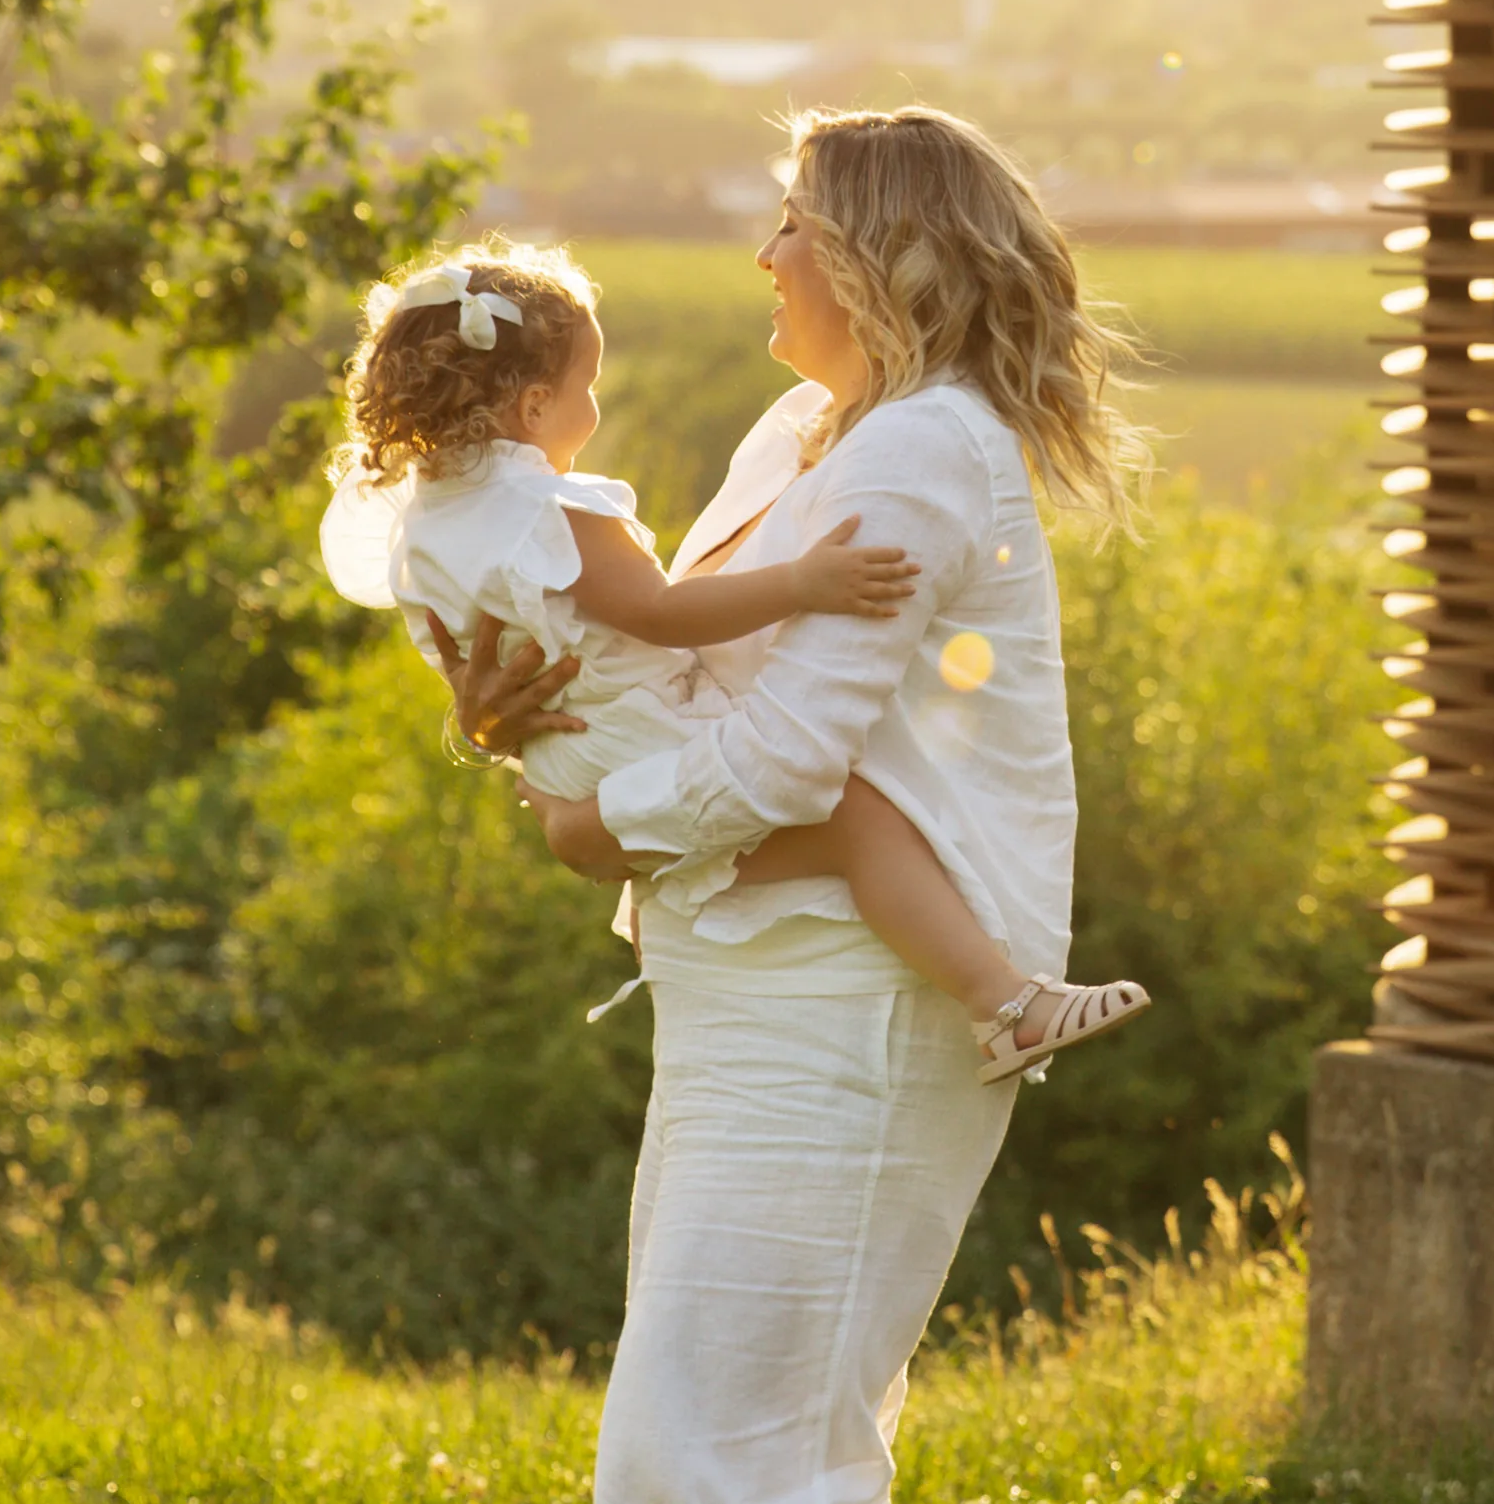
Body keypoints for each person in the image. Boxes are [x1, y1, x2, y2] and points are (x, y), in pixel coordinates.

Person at [441, 109, 1168, 1504]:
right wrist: (520, 701)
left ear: (868, 252)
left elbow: (784, 762)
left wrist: (603, 828)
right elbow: (683, 679)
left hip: (857, 1006)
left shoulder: (930, 453)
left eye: (790, 220)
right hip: (752, 982)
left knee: (679, 1479)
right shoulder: (796, 440)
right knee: (787, 1472)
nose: (759, 249)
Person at [320, 239, 1146, 1077]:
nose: (594, 410)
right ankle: (1004, 1002)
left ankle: (972, 995)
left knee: (786, 842)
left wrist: (499, 737)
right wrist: (805, 582)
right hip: (643, 737)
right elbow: (665, 613)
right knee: (858, 825)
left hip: (566, 758)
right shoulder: (558, 511)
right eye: (587, 389)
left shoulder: (423, 527)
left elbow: (469, 657)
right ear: (534, 407)